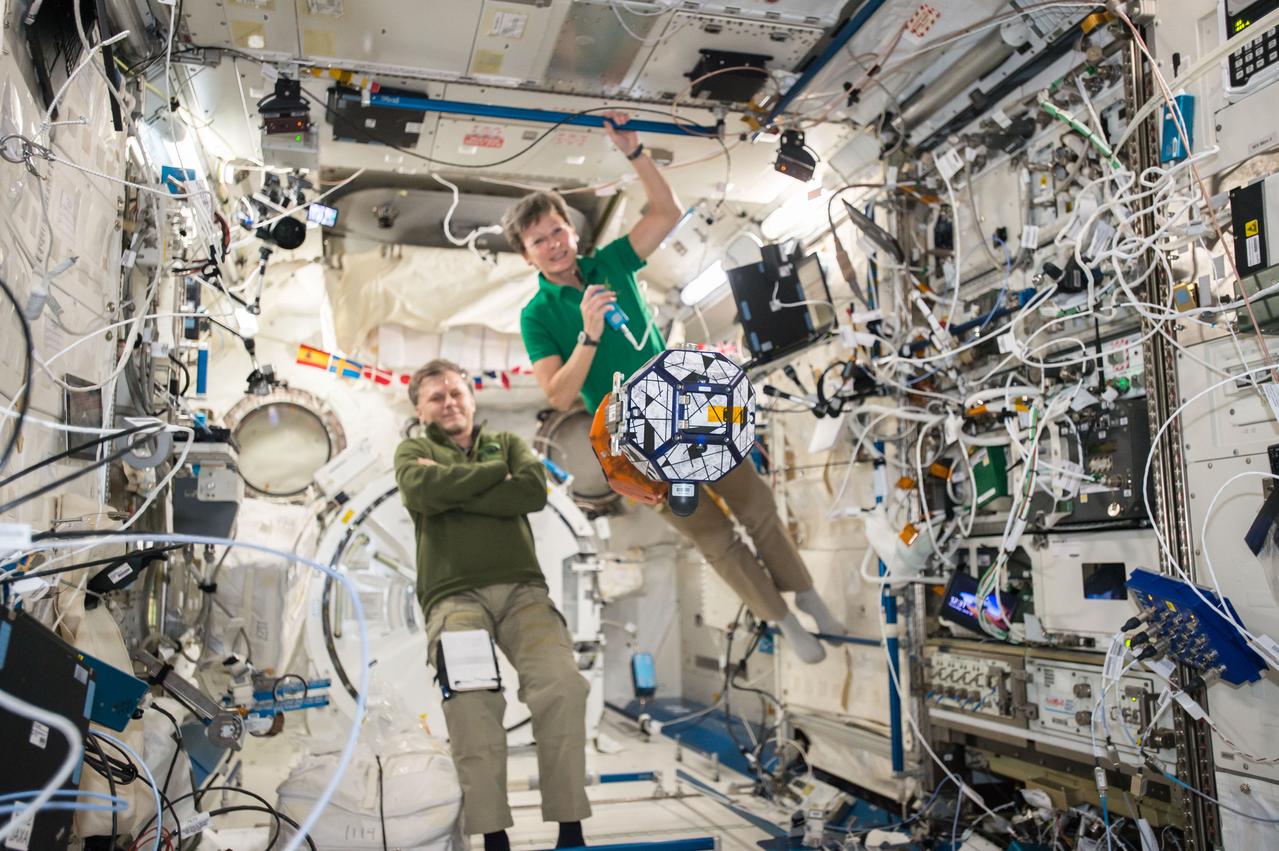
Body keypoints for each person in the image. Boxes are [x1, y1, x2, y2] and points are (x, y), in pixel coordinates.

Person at [507, 111, 845, 664]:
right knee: (714, 537)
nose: (553, 244)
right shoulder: (537, 315)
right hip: (630, 435)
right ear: (527, 255)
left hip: (681, 400)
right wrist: (588, 336)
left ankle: (807, 594)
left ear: (572, 231)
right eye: (538, 240)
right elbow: (558, 396)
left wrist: (636, 152)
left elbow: (666, 212)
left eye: (557, 231)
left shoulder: (611, 262)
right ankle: (783, 622)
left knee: (755, 504)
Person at [394, 359, 590, 851]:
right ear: (419, 409)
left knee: (562, 687)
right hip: (453, 597)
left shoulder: (510, 445)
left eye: (456, 393)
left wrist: (455, 485)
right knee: (472, 703)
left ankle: (570, 829)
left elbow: (530, 492)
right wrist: (490, 479)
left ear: (472, 398)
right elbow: (422, 490)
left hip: (524, 592)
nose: (449, 403)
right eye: (436, 397)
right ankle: (494, 836)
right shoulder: (413, 451)